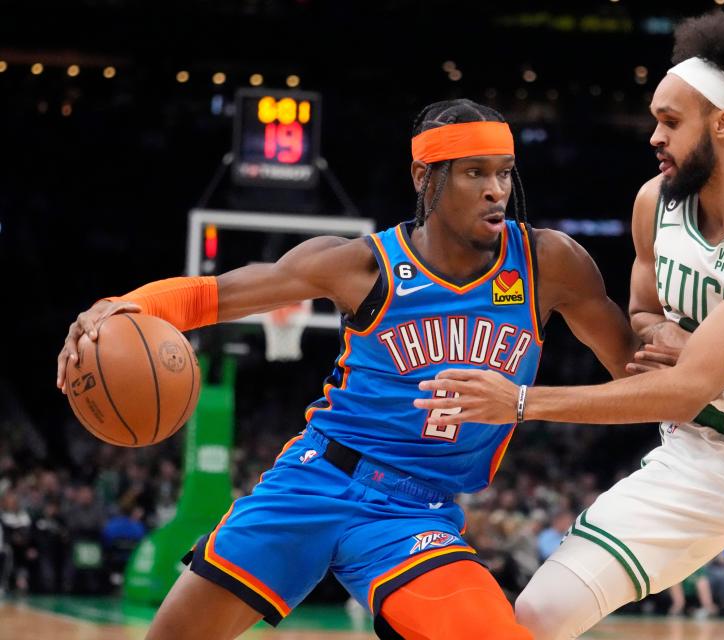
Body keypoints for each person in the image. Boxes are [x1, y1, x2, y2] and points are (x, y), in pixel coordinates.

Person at [56, 98, 635, 640]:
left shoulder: (547, 263)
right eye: (474, 173)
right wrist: (119, 309)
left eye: (505, 172)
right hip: (315, 482)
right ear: (425, 179)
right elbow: (217, 295)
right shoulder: (363, 264)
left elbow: (635, 374)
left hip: (415, 515)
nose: (496, 191)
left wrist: (683, 352)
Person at [416, 13, 724, 640]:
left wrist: (520, 401)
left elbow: (686, 387)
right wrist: (662, 333)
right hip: (695, 454)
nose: (653, 136)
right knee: (533, 617)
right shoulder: (653, 204)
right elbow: (642, 314)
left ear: (723, 122)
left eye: (670, 121)